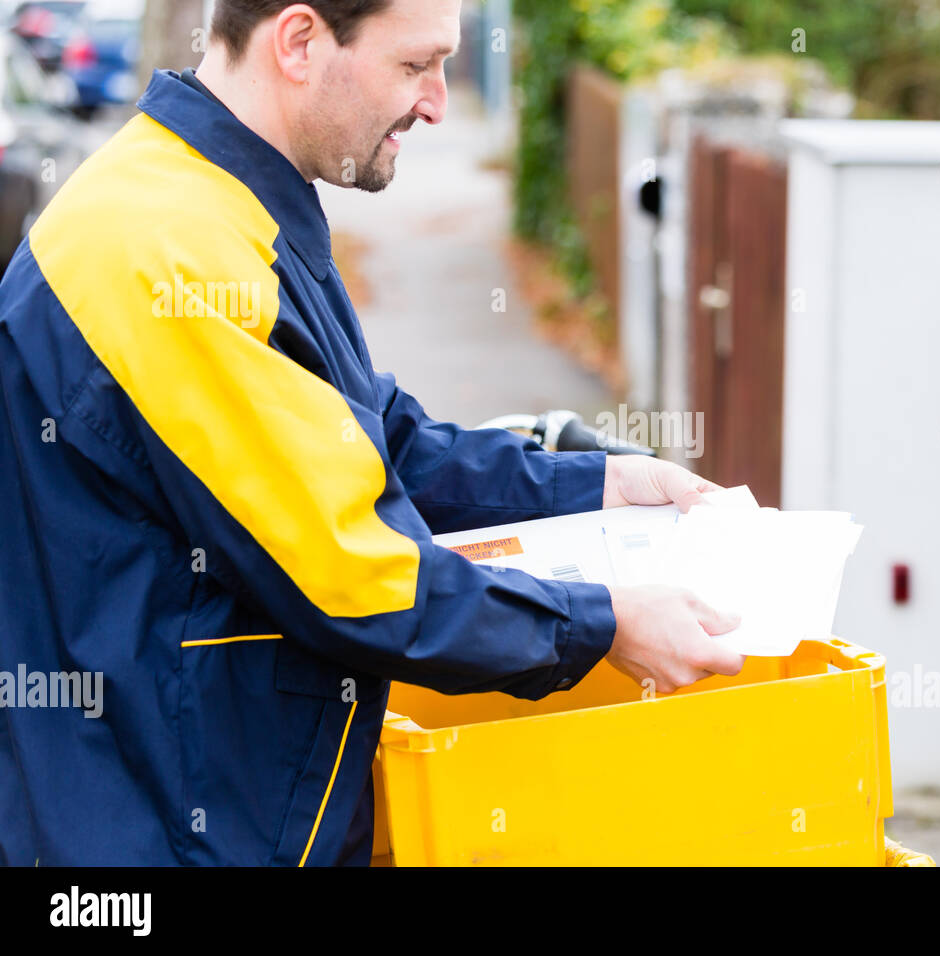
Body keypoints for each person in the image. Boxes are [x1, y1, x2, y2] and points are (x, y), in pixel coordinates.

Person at [0, 0, 743, 866]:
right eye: (414, 66)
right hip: (152, 829)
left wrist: (596, 485)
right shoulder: (167, 253)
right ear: (302, 42)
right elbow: (351, 577)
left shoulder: (210, 197)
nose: (436, 102)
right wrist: (602, 624)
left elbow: (367, 440)